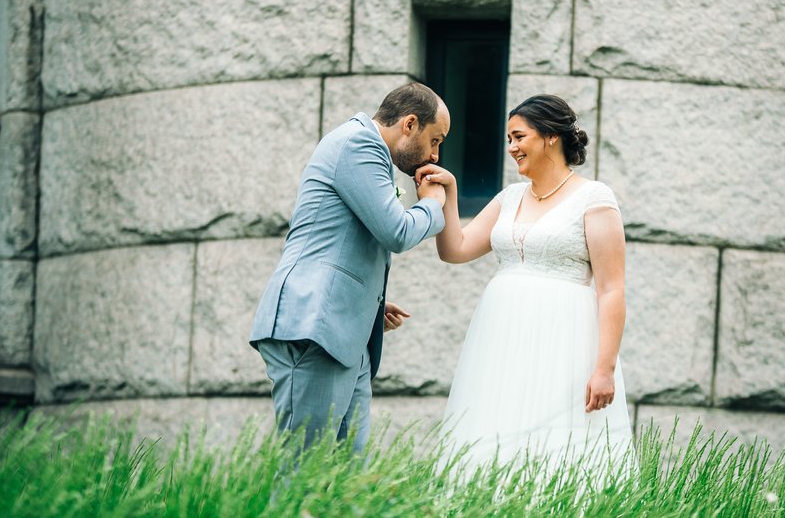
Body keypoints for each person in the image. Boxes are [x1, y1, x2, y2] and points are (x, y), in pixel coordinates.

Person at [417, 94, 634, 475]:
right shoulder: (510, 197)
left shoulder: (593, 198)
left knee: (557, 446)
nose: (512, 148)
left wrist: (605, 368)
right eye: (509, 140)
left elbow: (612, 289)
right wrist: (448, 194)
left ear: (551, 136)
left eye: (519, 137)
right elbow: (455, 248)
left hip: (563, 345)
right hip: (501, 343)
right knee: (496, 435)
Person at [250, 82, 450, 452]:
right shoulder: (358, 144)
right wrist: (434, 203)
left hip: (344, 333)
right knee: (303, 475)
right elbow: (397, 232)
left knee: (344, 480)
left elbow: (335, 240)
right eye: (435, 140)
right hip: (314, 329)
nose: (435, 155)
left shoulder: (365, 149)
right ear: (409, 124)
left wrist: (368, 302)